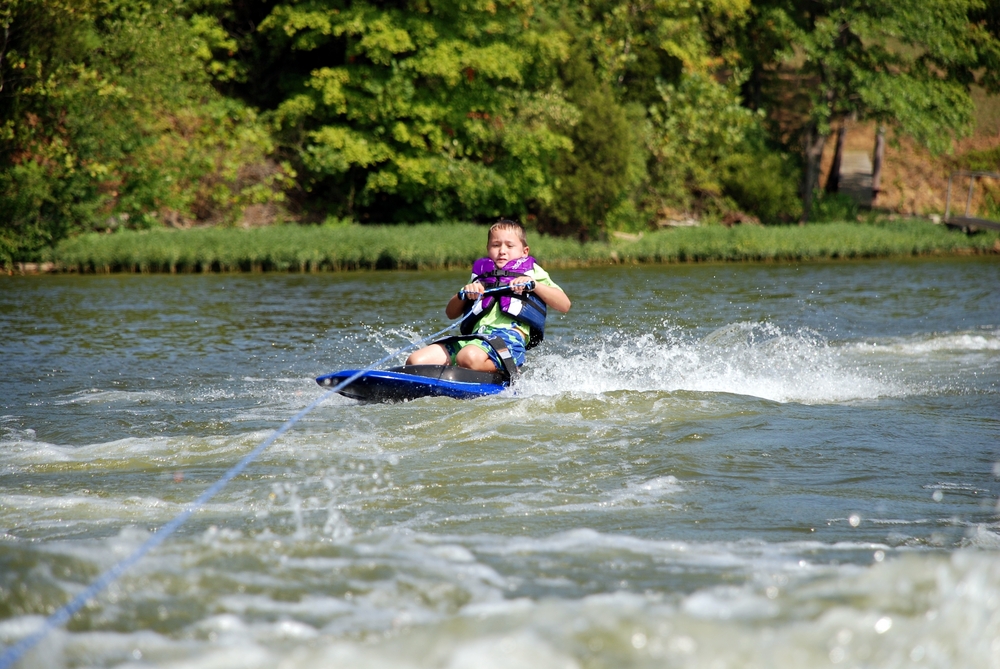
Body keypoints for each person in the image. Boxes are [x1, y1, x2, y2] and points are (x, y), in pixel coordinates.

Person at [405, 219, 571, 374]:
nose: (502, 251)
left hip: (508, 339)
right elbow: (450, 313)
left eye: (509, 245)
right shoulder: (481, 276)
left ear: (524, 251)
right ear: (488, 248)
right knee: (415, 361)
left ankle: (507, 371)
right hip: (475, 339)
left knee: (467, 357)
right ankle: (463, 370)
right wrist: (465, 293)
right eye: (496, 245)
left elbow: (564, 305)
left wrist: (534, 284)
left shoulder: (532, 272)